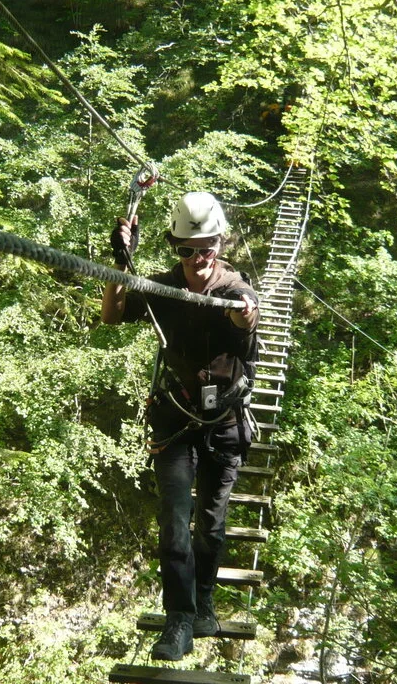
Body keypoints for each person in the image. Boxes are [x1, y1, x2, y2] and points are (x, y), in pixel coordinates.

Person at [102, 192, 259, 661]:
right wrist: (117, 264)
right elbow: (111, 316)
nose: (197, 259)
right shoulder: (164, 288)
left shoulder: (235, 286)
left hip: (225, 420)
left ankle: (205, 600)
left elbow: (247, 309)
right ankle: (180, 619)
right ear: (175, 248)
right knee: (174, 520)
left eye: (206, 247)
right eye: (186, 250)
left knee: (210, 524)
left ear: (219, 243)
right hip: (174, 418)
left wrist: (243, 312)